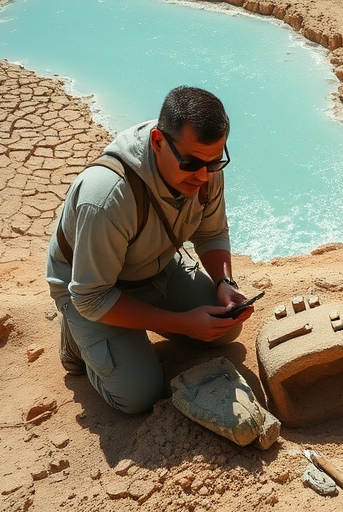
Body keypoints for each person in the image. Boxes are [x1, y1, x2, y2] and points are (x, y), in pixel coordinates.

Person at [46, 86, 254, 414]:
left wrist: (224, 282)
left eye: (215, 162)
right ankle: (76, 337)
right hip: (93, 290)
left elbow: (212, 232)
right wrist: (183, 322)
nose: (203, 176)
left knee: (224, 329)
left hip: (154, 266)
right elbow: (91, 296)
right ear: (158, 142)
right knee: (138, 397)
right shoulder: (107, 196)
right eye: (191, 163)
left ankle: (136, 323)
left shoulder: (204, 167)